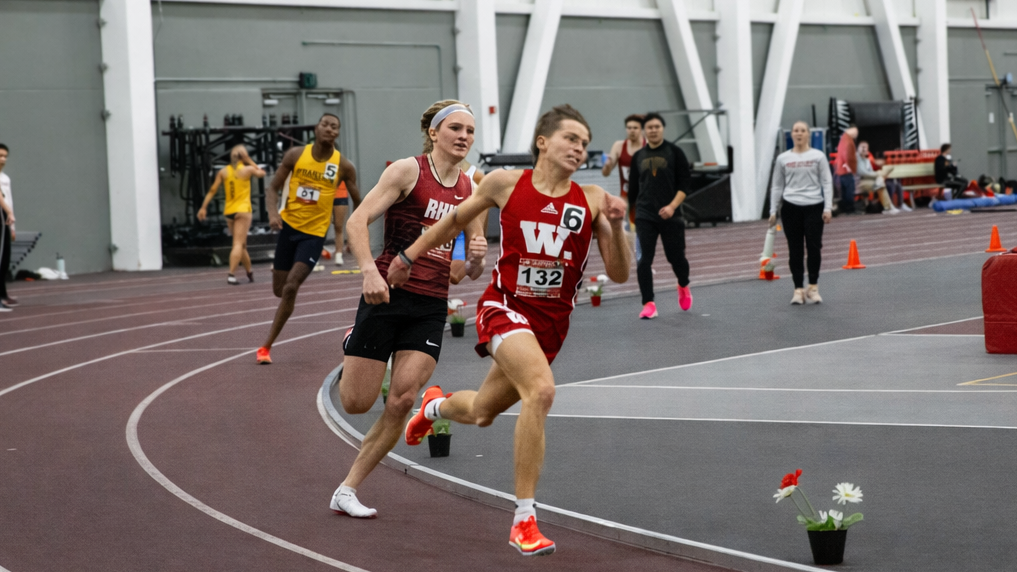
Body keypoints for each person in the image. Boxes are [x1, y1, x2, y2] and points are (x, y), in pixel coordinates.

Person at [390, 104, 631, 556]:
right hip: (505, 308)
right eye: (570, 138)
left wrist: (617, 228)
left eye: (584, 142)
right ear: (543, 141)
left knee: (482, 411)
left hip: (551, 327)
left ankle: (434, 407)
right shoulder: (505, 184)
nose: (578, 148)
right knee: (540, 391)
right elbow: (453, 221)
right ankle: (524, 520)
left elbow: (619, 274)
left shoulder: (593, 199)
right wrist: (408, 256)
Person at [329, 100, 488, 518]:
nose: (463, 137)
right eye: (455, 128)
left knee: (401, 400)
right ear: (434, 133)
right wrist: (368, 271)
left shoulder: (472, 189)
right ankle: (354, 340)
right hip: (386, 294)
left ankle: (347, 489)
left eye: (470, 131)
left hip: (431, 305)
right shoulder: (407, 171)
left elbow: (460, 274)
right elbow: (356, 221)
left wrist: (475, 256)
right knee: (356, 404)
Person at [256, 113, 360, 364]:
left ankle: (265, 347)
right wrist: (272, 214)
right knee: (280, 290)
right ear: (316, 128)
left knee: (291, 286)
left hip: (313, 236)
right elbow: (272, 187)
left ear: (337, 133)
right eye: (324, 124)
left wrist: (354, 234)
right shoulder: (295, 156)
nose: (328, 129)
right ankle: (283, 289)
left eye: (334, 126)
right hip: (289, 229)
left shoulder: (343, 166)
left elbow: (360, 201)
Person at [628, 112, 693, 319]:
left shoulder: (675, 152)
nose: (653, 130)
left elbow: (685, 185)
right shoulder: (638, 156)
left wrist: (672, 206)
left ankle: (683, 284)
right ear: (644, 131)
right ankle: (648, 303)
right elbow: (632, 190)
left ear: (662, 128)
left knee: (676, 258)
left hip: (671, 216)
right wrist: (629, 213)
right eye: (649, 127)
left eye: (656, 126)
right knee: (643, 260)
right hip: (645, 215)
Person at [769, 121, 833, 305]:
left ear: (808, 134)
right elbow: (777, 185)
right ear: (791, 134)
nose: (799, 133)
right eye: (795, 130)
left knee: (814, 248)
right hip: (791, 207)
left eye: (802, 130)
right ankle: (798, 289)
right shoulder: (783, 159)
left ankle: (813, 287)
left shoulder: (818, 156)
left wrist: (827, 208)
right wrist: (773, 210)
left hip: (814, 206)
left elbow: (827, 182)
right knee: (794, 250)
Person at [196, 145, 266, 283]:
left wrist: (203, 207)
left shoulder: (223, 172)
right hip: (243, 211)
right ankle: (231, 275)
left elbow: (212, 190)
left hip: (229, 211)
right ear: (243, 157)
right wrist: (250, 160)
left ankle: (249, 272)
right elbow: (261, 173)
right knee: (238, 244)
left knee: (242, 244)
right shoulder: (248, 170)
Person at [601, 114, 645, 227]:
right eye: (629, 128)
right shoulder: (619, 146)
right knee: (622, 228)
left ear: (642, 129)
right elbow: (606, 173)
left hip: (645, 196)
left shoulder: (648, 146)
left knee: (643, 230)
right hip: (625, 196)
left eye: (635, 128)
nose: (632, 131)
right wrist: (607, 165)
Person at [854, 141, 900, 215]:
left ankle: (889, 207)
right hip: (859, 183)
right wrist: (877, 174)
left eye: (865, 148)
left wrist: (877, 176)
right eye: (862, 147)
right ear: (858, 149)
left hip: (867, 181)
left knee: (880, 181)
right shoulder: (856, 158)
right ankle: (889, 207)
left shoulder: (867, 160)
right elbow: (863, 173)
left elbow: (870, 172)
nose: (864, 149)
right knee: (880, 179)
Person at [328, 180, 362, 266]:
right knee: (320, 226)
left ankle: (338, 254)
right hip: (325, 195)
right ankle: (314, 255)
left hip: (340, 195)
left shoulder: (344, 167)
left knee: (338, 226)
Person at [0, 143, 16, 311]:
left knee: (4, 261)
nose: (3, 159)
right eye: (0, 155)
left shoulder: (5, 178)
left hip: (4, 221)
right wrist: (9, 212)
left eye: (5, 156)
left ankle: (3, 294)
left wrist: (13, 225)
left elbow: (9, 200)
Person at [833, 125, 858, 214]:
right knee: (849, 190)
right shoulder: (848, 141)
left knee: (843, 191)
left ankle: (844, 208)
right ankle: (850, 208)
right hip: (846, 170)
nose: (856, 134)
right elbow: (847, 156)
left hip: (840, 170)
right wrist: (850, 167)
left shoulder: (843, 139)